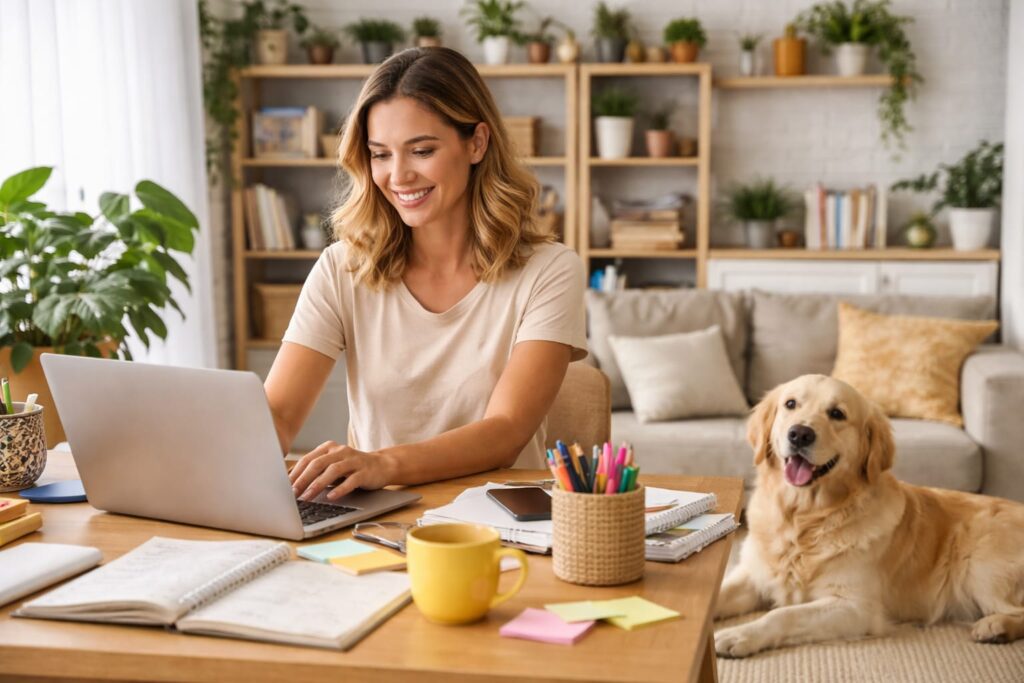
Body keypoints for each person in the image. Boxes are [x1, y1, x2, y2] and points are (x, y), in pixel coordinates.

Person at [267, 47, 587, 505]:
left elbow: (506, 431)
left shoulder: (549, 271)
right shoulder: (343, 268)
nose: (398, 176)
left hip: (500, 526)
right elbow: (278, 414)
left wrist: (381, 464)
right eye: (380, 154)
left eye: (421, 150)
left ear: (477, 143)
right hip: (374, 523)